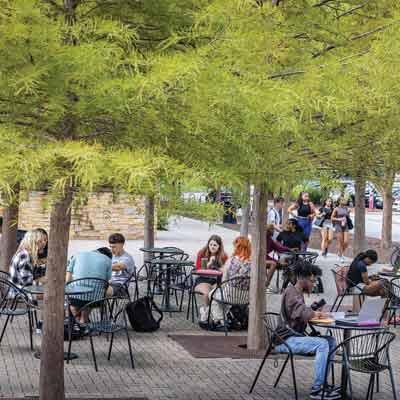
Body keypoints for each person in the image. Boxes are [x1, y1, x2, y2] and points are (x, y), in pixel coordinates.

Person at [275, 261, 340, 400]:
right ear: (302, 279)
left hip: (294, 336)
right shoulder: (291, 293)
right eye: (313, 280)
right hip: (284, 340)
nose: (314, 284)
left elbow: (302, 312)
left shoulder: (297, 292)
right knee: (322, 344)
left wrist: (315, 310)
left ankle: (322, 383)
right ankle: (317, 390)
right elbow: (302, 313)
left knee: (331, 341)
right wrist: (318, 314)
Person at [209, 236, 252, 326]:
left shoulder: (232, 260)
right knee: (222, 300)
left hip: (231, 294)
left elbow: (224, 280)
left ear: (237, 246)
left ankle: (220, 320)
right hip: (246, 298)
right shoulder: (253, 262)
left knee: (212, 295)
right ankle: (226, 318)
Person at [66, 247, 112, 323]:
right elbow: (106, 281)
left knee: (72, 304)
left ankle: (79, 322)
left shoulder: (77, 255)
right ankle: (83, 320)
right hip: (95, 298)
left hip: (75, 297)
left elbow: (68, 280)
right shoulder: (108, 260)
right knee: (90, 298)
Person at [194, 235, 228, 306]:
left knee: (219, 294)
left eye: (215, 245)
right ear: (208, 244)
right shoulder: (202, 253)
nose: (212, 247)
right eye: (211, 244)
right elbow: (197, 270)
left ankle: (215, 313)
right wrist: (209, 263)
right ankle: (207, 312)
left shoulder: (223, 256)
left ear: (219, 246)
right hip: (203, 280)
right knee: (207, 294)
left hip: (217, 281)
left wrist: (221, 269)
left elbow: (226, 270)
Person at [265, 224, 290, 290]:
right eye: (272, 230)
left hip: (266, 258)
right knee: (273, 264)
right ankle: (266, 284)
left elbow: (279, 248)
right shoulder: (262, 238)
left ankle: (283, 286)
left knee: (282, 263)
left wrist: (289, 249)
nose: (273, 231)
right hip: (258, 259)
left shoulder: (270, 239)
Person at [331, 197, 350, 263]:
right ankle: (341, 256)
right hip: (338, 226)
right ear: (339, 201)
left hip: (346, 226)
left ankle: (340, 253)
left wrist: (348, 213)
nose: (344, 201)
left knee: (346, 242)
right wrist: (339, 219)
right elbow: (332, 218)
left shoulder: (346, 208)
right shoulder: (336, 209)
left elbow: (347, 217)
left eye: (344, 199)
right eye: (342, 200)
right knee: (340, 242)